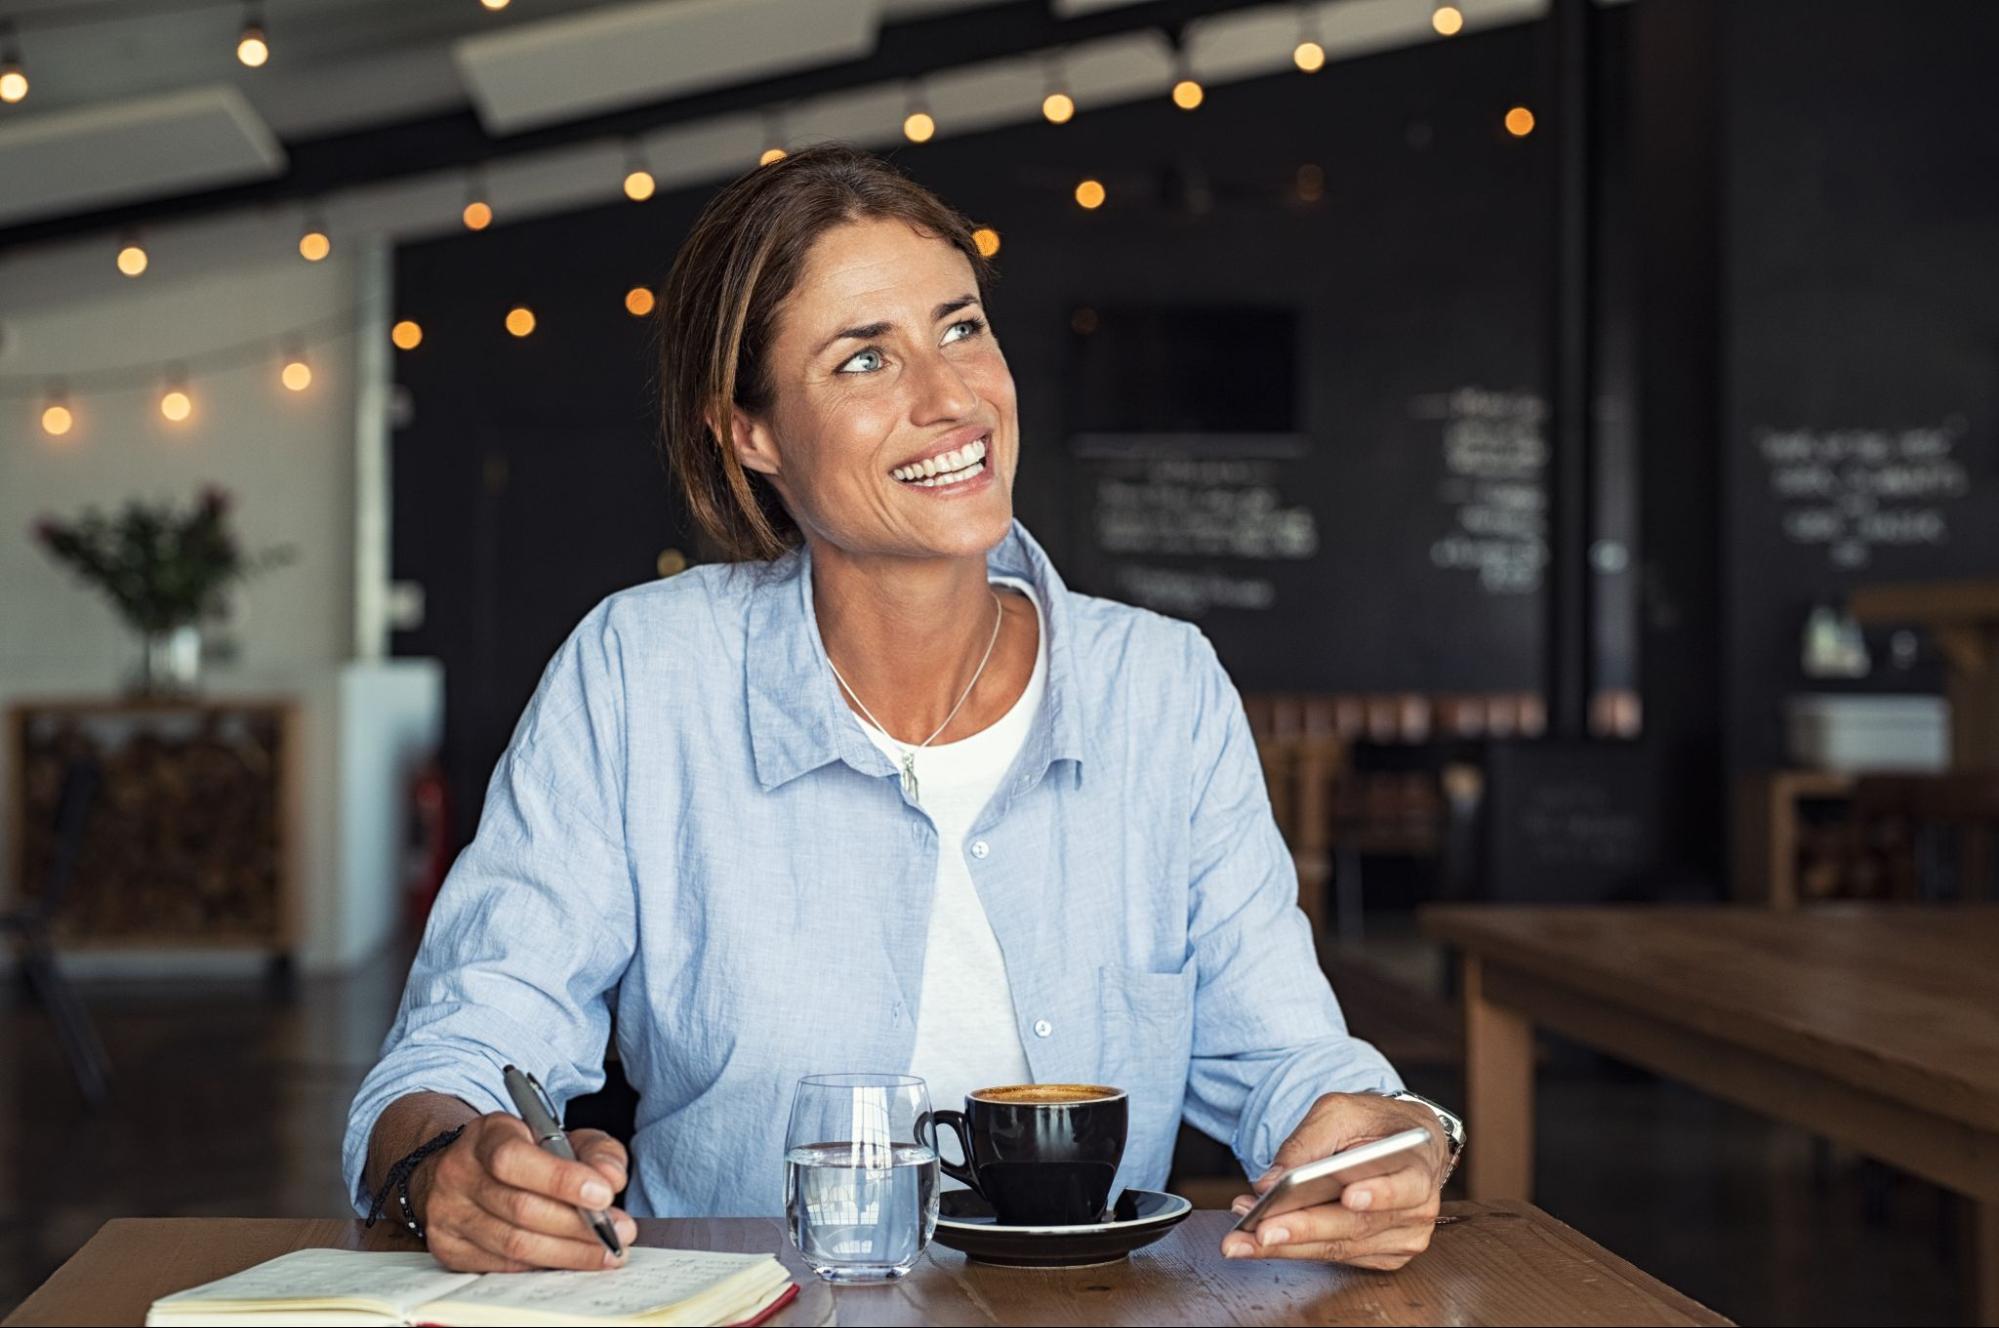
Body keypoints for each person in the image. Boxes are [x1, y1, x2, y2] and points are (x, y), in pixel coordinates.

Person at [344, 141, 1463, 1276]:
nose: (950, 396)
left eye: (961, 326)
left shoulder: (1160, 692)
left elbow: (1295, 1065)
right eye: (865, 359)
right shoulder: (642, 675)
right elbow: (463, 1046)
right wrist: (449, 1165)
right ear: (751, 431)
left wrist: (1395, 1138)